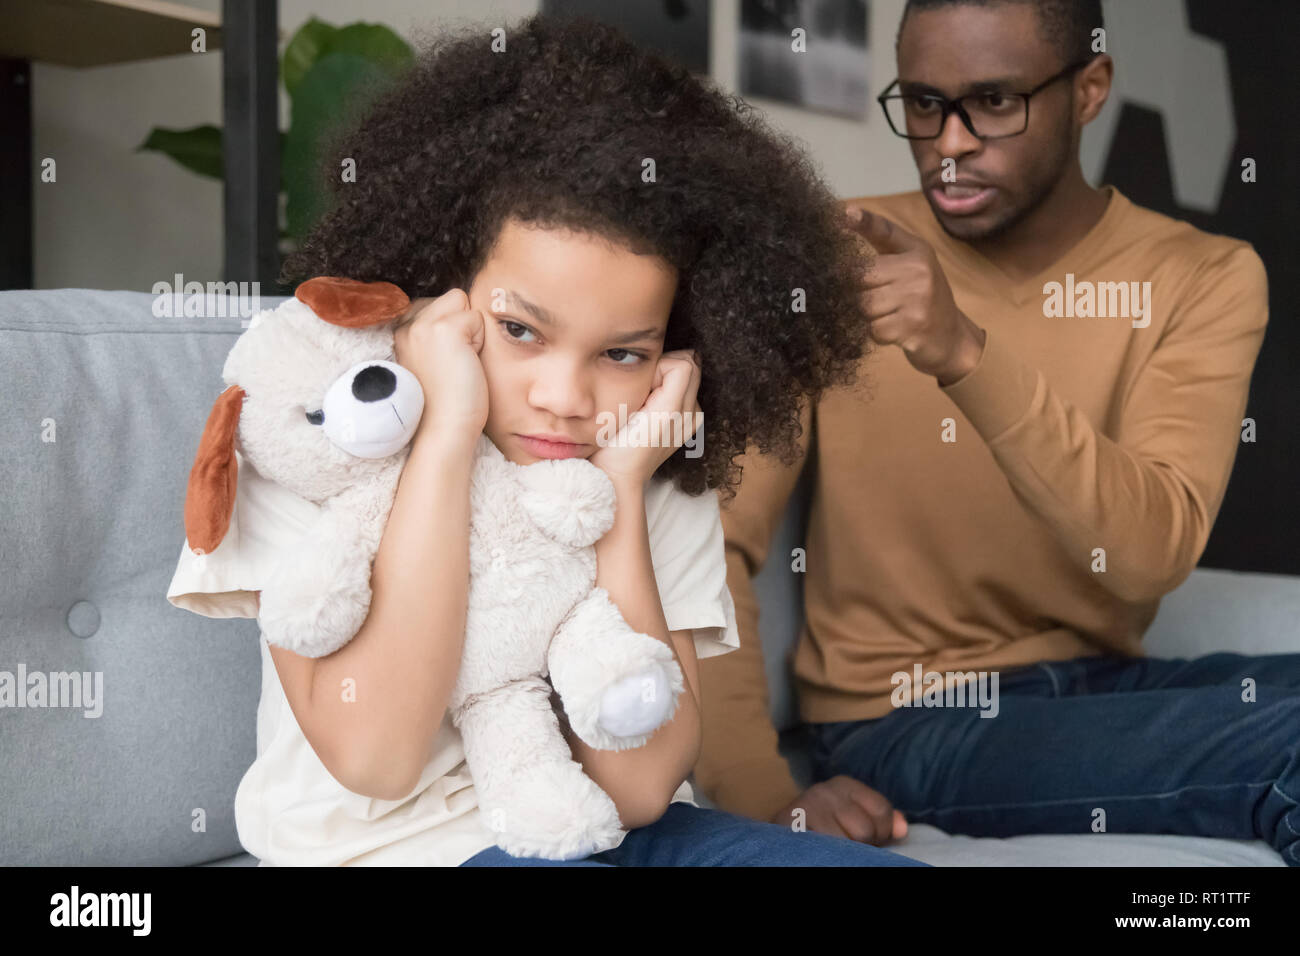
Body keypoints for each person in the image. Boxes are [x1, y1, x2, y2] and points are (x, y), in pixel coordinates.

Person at [167, 13, 926, 867]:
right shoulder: (318, 430)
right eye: (522, 330)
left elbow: (639, 790)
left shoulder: (649, 458)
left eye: (621, 352)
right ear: (443, 286)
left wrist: (628, 489)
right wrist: (447, 433)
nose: (566, 398)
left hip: (617, 834)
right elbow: (377, 755)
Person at [695, 0, 1297, 865]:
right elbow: (711, 546)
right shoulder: (832, 258)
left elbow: (1148, 551)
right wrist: (765, 795)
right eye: (926, 103)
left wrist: (966, 355)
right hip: (902, 718)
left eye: (995, 102)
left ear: (1089, 91)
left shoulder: (1203, 277)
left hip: (1101, 689)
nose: (950, 142)